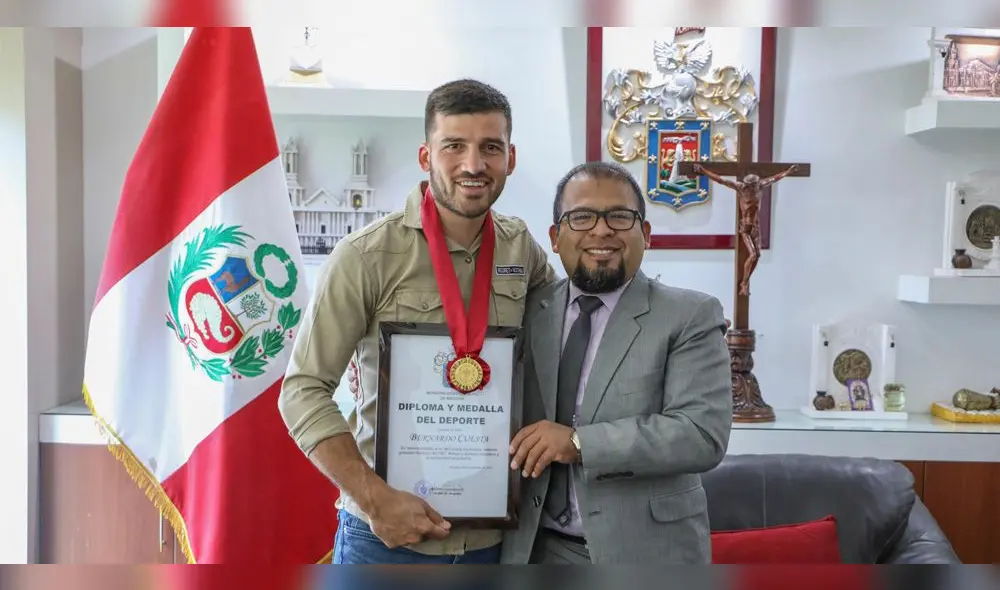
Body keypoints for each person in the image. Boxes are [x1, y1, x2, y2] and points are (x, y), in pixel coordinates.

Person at [278, 78, 556, 565]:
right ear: (426, 157)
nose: (474, 165)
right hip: (384, 539)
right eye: (454, 146)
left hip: (494, 541)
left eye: (490, 148)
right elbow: (302, 390)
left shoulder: (522, 249)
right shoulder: (366, 256)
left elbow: (559, 348)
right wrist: (374, 499)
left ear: (510, 158)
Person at [500, 161, 733, 564]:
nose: (602, 229)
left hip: (647, 558)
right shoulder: (524, 314)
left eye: (620, 216)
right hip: (536, 551)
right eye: (582, 216)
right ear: (555, 237)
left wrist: (577, 443)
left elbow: (701, 434)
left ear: (645, 234)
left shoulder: (690, 314)